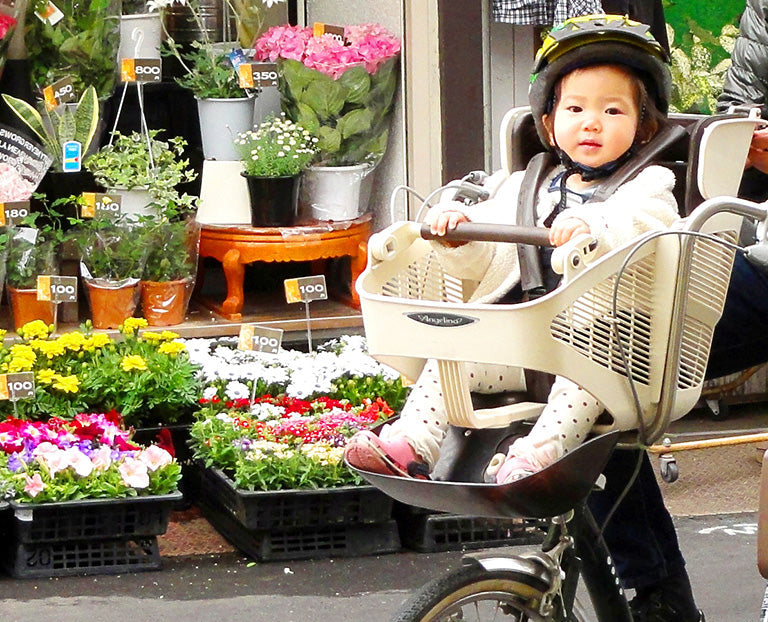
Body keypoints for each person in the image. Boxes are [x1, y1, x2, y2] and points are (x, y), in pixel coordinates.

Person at [347, 14, 679, 484]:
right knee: (452, 355)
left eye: (613, 111)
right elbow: (487, 256)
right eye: (575, 109)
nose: (591, 124)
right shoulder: (525, 184)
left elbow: (644, 223)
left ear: (644, 128)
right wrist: (460, 234)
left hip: (599, 356)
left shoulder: (648, 185)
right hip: (519, 350)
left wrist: (593, 224)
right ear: (547, 121)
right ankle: (411, 443)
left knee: (583, 382)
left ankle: (535, 458)